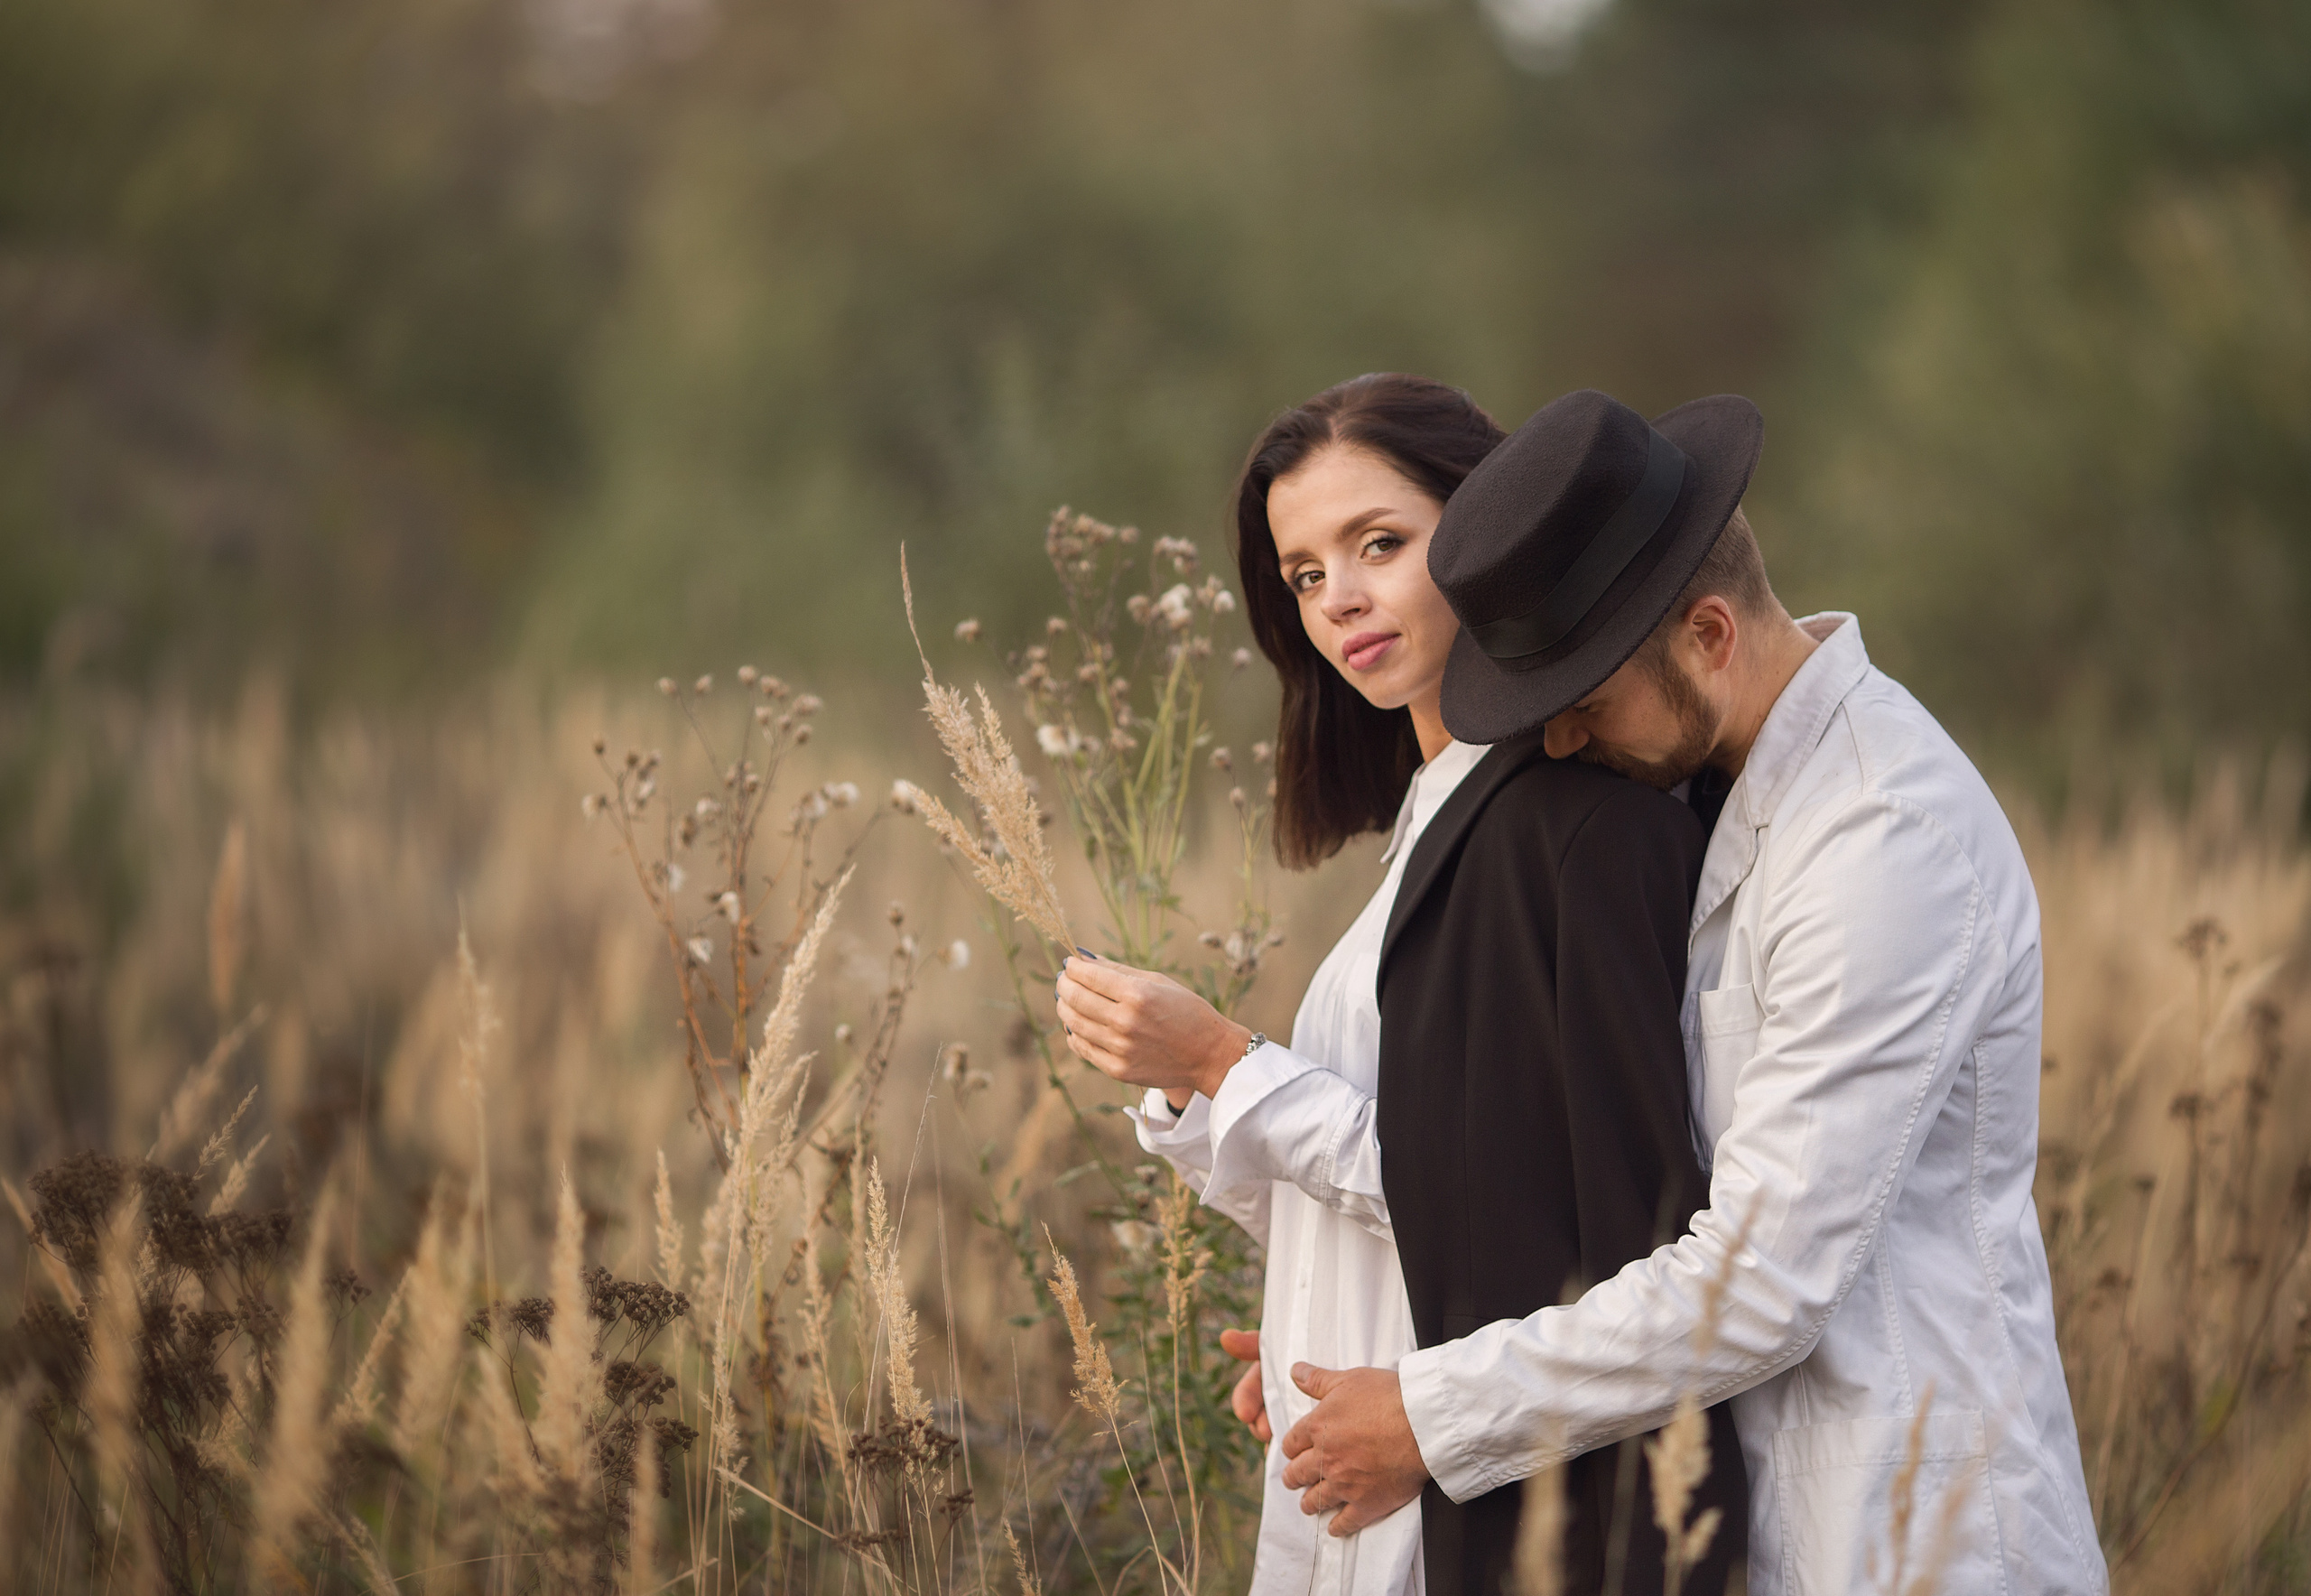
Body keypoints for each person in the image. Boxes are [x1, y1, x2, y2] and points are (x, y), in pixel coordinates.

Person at [1269, 389, 2109, 1594]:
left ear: (1709, 636)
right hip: (1757, 1515)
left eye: (1586, 703)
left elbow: (1761, 1282)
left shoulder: (1880, 836)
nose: (1564, 745)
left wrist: (1427, 1413)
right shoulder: (1718, 796)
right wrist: (1352, 1349)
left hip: (1910, 1531)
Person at [1053, 374, 1745, 1596]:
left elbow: (1547, 1204)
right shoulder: (1437, 819)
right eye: (1304, 574)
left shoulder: (1566, 826)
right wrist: (1309, 1306)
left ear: (1487, 536)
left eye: (1380, 544)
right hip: (1368, 1434)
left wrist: (1222, 1062)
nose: (1340, 598)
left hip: (1465, 1486)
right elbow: (1416, 1172)